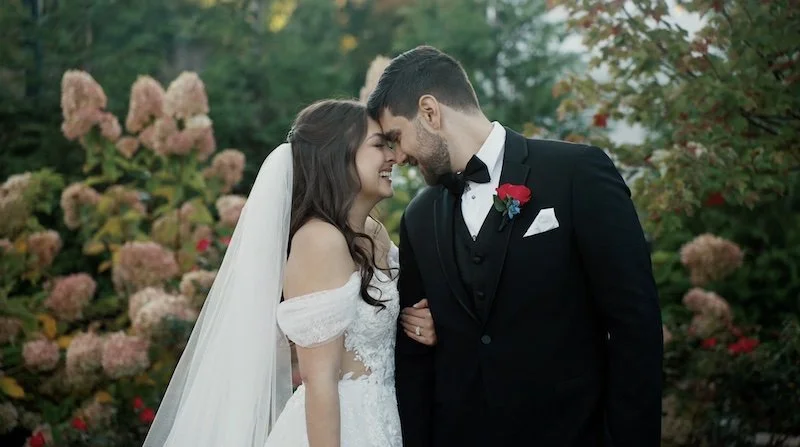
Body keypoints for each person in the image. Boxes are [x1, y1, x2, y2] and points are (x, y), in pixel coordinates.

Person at [367, 46, 663, 447]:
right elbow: (415, 354)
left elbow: (635, 323)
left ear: (431, 112)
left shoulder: (576, 173)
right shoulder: (419, 218)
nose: (397, 156)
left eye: (397, 138)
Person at [142, 99, 437, 447]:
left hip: (388, 417)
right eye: (378, 145)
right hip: (340, 428)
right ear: (336, 157)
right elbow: (320, 379)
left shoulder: (374, 233)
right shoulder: (319, 241)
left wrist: (423, 322)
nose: (393, 156)